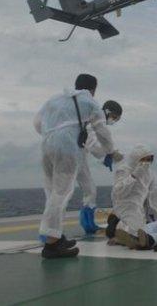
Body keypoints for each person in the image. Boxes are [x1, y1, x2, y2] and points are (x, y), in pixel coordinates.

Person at [33, 73, 121, 259]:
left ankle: (54, 234)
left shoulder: (55, 98)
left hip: (46, 144)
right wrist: (110, 151)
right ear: (93, 89)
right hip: (65, 146)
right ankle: (51, 244)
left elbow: (37, 122)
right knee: (61, 193)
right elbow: (102, 131)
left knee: (51, 191)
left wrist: (52, 133)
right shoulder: (90, 102)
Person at [106, 144, 157, 248]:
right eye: (144, 159)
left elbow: (152, 194)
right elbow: (118, 192)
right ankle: (116, 229)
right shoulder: (124, 170)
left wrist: (152, 215)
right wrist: (134, 176)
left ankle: (133, 225)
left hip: (141, 203)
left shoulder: (150, 173)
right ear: (136, 159)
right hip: (126, 204)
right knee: (137, 230)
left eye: (149, 159)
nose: (147, 162)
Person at [77, 100, 123, 234]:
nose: (113, 120)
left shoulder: (91, 120)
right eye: (114, 117)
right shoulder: (94, 123)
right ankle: (88, 224)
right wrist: (111, 155)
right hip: (75, 158)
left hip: (78, 157)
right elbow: (92, 144)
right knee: (89, 190)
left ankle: (88, 223)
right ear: (107, 112)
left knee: (89, 190)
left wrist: (109, 155)